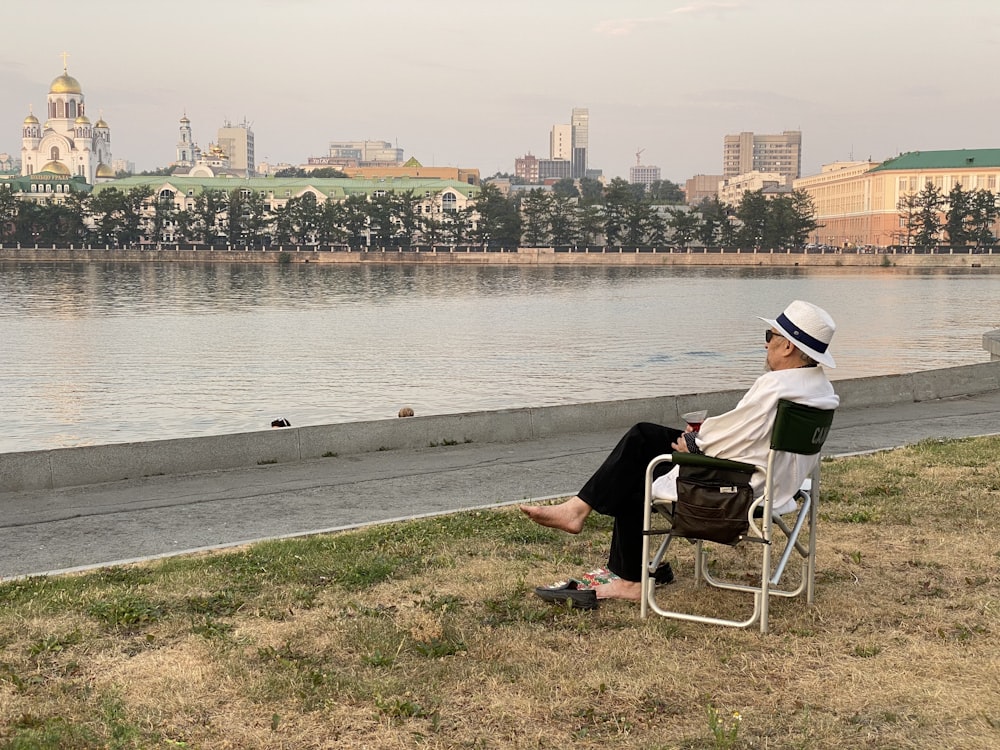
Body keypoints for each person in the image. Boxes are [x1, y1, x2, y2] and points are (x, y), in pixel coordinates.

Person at [520, 300, 841, 604]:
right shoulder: (820, 390)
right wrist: (702, 441)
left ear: (787, 346)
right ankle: (591, 528)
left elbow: (733, 436)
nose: (765, 344)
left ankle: (593, 533)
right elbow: (746, 434)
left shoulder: (776, 385)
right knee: (642, 449)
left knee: (641, 449)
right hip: (778, 486)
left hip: (738, 487)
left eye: (770, 336)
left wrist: (695, 444)